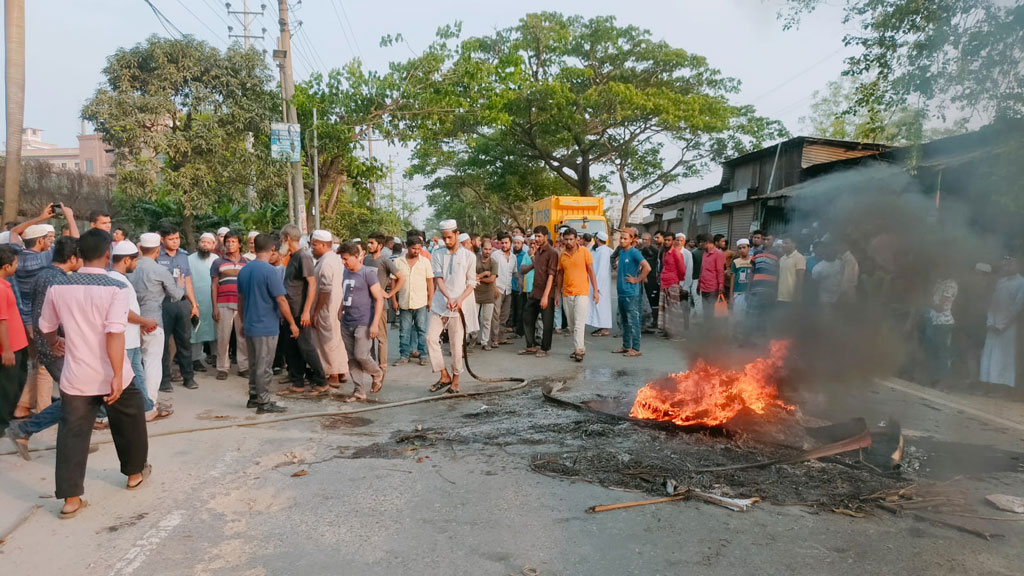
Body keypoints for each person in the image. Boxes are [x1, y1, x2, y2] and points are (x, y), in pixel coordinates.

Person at [38, 229, 150, 519]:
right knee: (130, 419)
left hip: (76, 375)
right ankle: (135, 473)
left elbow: (46, 326)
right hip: (112, 372)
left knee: (72, 433)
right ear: (107, 255)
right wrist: (115, 375)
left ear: (78, 256)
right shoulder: (116, 288)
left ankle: (70, 499)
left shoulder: (59, 287)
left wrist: (54, 343)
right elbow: (115, 333)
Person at [237, 234, 294, 414]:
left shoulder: (244, 270)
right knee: (265, 366)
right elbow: (281, 301)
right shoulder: (270, 271)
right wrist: (292, 323)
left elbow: (240, 300)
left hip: (251, 324)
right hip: (266, 325)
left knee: (254, 363)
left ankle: (253, 396)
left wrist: (242, 320)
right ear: (272, 250)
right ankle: (264, 402)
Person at [110, 241, 166, 421]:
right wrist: (145, 321)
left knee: (138, 377)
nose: (137, 264)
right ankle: (106, 415)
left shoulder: (120, 278)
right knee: (125, 379)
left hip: (131, 338)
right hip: (124, 339)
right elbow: (124, 311)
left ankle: (147, 408)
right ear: (127, 260)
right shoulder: (116, 280)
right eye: (135, 260)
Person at [426, 220, 478, 394]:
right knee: (430, 338)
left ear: (457, 234)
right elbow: (438, 278)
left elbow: (471, 283)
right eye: (444, 238)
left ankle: (455, 380)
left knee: (456, 347)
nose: (447, 241)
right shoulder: (437, 253)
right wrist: (448, 296)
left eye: (449, 237)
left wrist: (460, 299)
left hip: (459, 307)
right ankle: (443, 374)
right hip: (441, 304)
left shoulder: (469, 256)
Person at [277, 224, 328, 396]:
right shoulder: (292, 257)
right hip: (290, 311)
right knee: (291, 348)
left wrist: (306, 311)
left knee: (306, 347)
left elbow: (312, 284)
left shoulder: (303, 257)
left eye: (281, 238)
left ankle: (321, 382)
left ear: (286, 238)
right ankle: (297, 382)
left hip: (300, 311)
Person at [337, 242, 387, 401]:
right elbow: (347, 292)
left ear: (356, 256)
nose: (343, 262)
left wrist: (374, 324)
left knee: (361, 355)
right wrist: (340, 308)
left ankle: (377, 372)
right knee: (352, 357)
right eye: (342, 259)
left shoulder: (368, 273)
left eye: (345, 259)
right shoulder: (345, 272)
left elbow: (379, 299)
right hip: (347, 321)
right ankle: (359, 390)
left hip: (364, 321)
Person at [156, 224, 199, 391]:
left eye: (177, 238)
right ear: (162, 240)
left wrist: (193, 304)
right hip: (164, 303)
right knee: (163, 343)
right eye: (171, 239)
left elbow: (187, 281)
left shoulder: (183, 256)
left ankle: (188, 377)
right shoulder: (157, 256)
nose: (175, 242)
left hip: (181, 303)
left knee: (185, 341)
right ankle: (164, 380)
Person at [309, 230, 349, 387]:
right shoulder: (334, 259)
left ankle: (333, 374)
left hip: (326, 308)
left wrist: (317, 311)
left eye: (314, 245)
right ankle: (340, 371)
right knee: (336, 340)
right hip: (334, 306)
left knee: (327, 342)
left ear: (323, 245)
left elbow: (325, 290)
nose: (312, 248)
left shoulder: (326, 263)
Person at [364, 233, 405, 374]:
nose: (369, 245)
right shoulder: (366, 260)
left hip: (380, 305)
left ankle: (383, 366)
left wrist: (390, 294)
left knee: (381, 337)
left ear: (380, 246)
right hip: (365, 304)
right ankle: (371, 364)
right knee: (367, 336)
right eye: (368, 242)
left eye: (372, 243)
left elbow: (401, 277)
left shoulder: (385, 261)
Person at [980, 256, 1024, 389]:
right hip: (993, 322)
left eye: (1011, 264)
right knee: (989, 354)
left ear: (1017, 266)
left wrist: (1002, 324)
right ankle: (988, 384)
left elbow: (1017, 307)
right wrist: (990, 320)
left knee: (1003, 356)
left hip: (1007, 326)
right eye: (1005, 264)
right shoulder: (1001, 281)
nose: (1007, 266)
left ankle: (1002, 388)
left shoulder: (1021, 282)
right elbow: (993, 302)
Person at [210, 231, 249, 380]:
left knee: (242, 337)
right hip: (223, 303)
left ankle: (243, 367)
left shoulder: (246, 263)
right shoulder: (218, 262)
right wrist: (214, 307)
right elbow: (214, 285)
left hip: (241, 304)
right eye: (228, 241)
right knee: (223, 337)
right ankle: (222, 368)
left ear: (239, 244)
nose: (230, 244)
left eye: (233, 241)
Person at [555, 228, 597, 361]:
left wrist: (595, 290)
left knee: (579, 322)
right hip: (567, 293)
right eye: (566, 239)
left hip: (582, 292)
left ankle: (578, 350)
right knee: (572, 325)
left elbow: (591, 271)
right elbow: (560, 275)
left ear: (576, 239)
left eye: (571, 239)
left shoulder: (585, 252)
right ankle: (580, 347)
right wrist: (557, 294)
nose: (568, 242)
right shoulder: (562, 254)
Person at [0, 245, 29, 432]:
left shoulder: (5, 284)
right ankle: (2, 423)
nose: (17, 266)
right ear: (5, 266)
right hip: (10, 346)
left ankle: (5, 418)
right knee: (7, 388)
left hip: (18, 344)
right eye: (16, 262)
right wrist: (7, 349)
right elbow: (1, 321)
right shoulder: (1, 289)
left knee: (17, 382)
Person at [394, 236, 434, 366]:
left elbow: (430, 282)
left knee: (421, 329)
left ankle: (423, 354)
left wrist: (430, 299)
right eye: (413, 248)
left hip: (421, 301)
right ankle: (404, 355)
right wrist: (394, 300)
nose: (416, 251)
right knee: (404, 331)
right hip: (404, 301)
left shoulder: (425, 262)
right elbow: (393, 280)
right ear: (407, 247)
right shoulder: (399, 262)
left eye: (418, 248)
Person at [519, 226, 558, 358]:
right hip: (534, 291)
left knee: (547, 322)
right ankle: (531, 345)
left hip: (546, 293)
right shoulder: (538, 251)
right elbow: (535, 267)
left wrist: (546, 296)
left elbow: (551, 275)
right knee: (527, 317)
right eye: (535, 236)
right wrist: (532, 255)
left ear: (546, 236)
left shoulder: (552, 253)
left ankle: (545, 348)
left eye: (539, 236)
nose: (537, 239)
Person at [613, 227, 650, 357]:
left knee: (634, 321)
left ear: (632, 240)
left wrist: (636, 279)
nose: (622, 241)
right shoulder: (622, 252)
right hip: (622, 292)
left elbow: (647, 267)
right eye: (621, 238)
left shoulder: (634, 252)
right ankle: (626, 345)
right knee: (625, 321)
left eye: (625, 238)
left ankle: (636, 348)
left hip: (631, 293)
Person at [188, 233, 217, 373]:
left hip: (213, 302)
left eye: (208, 242)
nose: (205, 244)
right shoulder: (189, 260)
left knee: (216, 330)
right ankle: (195, 359)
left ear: (213, 245)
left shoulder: (217, 260)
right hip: (196, 302)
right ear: (198, 243)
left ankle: (216, 356)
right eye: (202, 242)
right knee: (196, 330)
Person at [658, 233, 688, 340]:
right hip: (664, 282)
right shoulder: (665, 252)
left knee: (674, 308)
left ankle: (677, 333)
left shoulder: (676, 253)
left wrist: (678, 281)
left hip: (673, 282)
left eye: (669, 240)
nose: (666, 242)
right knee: (665, 308)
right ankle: (668, 331)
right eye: (665, 240)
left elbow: (682, 269)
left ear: (673, 241)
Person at [474, 239, 499, 350]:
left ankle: (485, 342)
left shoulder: (494, 262)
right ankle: (473, 339)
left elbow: (492, 279)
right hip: (475, 293)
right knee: (474, 318)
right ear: (481, 249)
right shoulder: (475, 259)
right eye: (485, 249)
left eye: (489, 249)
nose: (487, 251)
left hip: (488, 294)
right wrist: (484, 274)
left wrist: (479, 278)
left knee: (487, 320)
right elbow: (471, 276)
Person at [587, 231, 613, 337]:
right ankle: (601, 326)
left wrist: (597, 286)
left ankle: (605, 328)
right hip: (596, 283)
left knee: (602, 305)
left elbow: (601, 271)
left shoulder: (604, 252)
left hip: (600, 284)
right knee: (597, 306)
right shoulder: (598, 250)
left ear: (597, 239)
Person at [491, 232, 513, 347]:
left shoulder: (513, 257)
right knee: (496, 315)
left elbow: (514, 273)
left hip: (508, 289)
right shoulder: (495, 255)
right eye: (502, 243)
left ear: (510, 244)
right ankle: (494, 339)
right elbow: (493, 273)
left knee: (504, 315)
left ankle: (501, 337)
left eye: (506, 243)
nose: (504, 245)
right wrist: (494, 288)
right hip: (498, 288)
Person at [698, 233, 726, 324]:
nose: (699, 245)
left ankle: (713, 333)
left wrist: (721, 285)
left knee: (712, 313)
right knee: (706, 312)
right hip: (704, 287)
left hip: (713, 288)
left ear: (706, 242)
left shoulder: (718, 254)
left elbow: (720, 271)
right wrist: (699, 284)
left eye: (700, 242)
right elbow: (702, 269)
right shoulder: (705, 253)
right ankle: (707, 332)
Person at [730, 239, 753, 342]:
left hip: (750, 294)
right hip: (738, 293)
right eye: (739, 248)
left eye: (744, 247)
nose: (742, 250)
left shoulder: (753, 261)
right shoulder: (735, 262)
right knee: (737, 317)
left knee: (748, 317)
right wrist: (731, 296)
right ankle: (736, 337)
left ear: (748, 248)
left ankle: (746, 338)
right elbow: (733, 279)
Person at [777, 236, 807, 312]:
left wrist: (798, 296)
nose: (783, 245)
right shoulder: (782, 259)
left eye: (786, 243)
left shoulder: (799, 258)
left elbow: (800, 279)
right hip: (780, 297)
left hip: (792, 298)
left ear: (794, 244)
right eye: (783, 243)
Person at [510, 235, 531, 339]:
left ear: (523, 244)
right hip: (511, 286)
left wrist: (521, 283)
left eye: (518, 243)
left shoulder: (525, 255)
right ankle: (513, 327)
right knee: (513, 308)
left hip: (522, 286)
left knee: (520, 309)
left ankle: (520, 331)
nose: (516, 245)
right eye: (515, 243)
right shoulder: (510, 255)